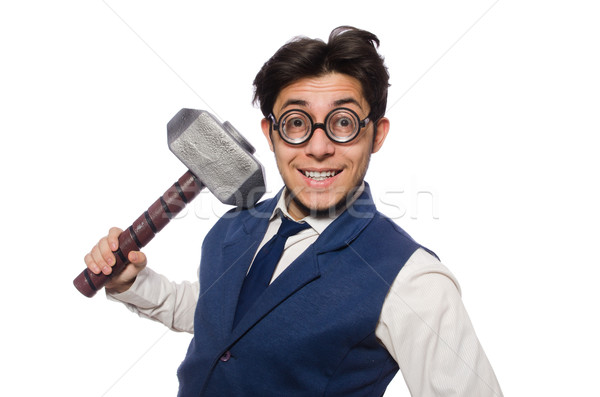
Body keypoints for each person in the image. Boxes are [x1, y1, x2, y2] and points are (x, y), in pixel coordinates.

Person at [84, 26, 503, 396]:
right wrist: (131, 283)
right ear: (270, 134)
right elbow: (220, 318)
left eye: (343, 122)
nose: (318, 148)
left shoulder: (413, 281)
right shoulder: (234, 226)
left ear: (376, 135)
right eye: (297, 122)